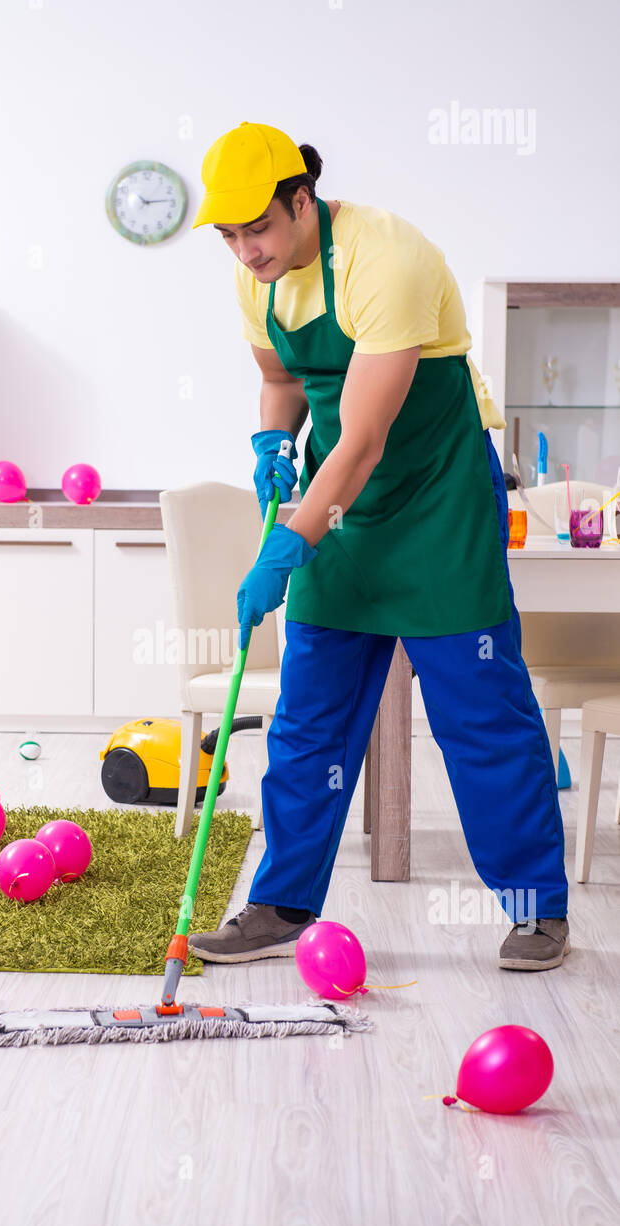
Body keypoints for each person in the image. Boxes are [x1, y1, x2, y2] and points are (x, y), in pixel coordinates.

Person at [187, 121, 570, 972]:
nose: (246, 251)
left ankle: (535, 909)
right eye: (229, 237)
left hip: (436, 502)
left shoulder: (384, 257)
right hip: (341, 514)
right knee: (307, 719)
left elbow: (361, 439)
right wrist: (270, 442)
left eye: (259, 228)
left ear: (301, 199)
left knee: (479, 716)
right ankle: (282, 903)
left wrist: (286, 547)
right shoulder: (259, 282)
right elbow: (281, 379)